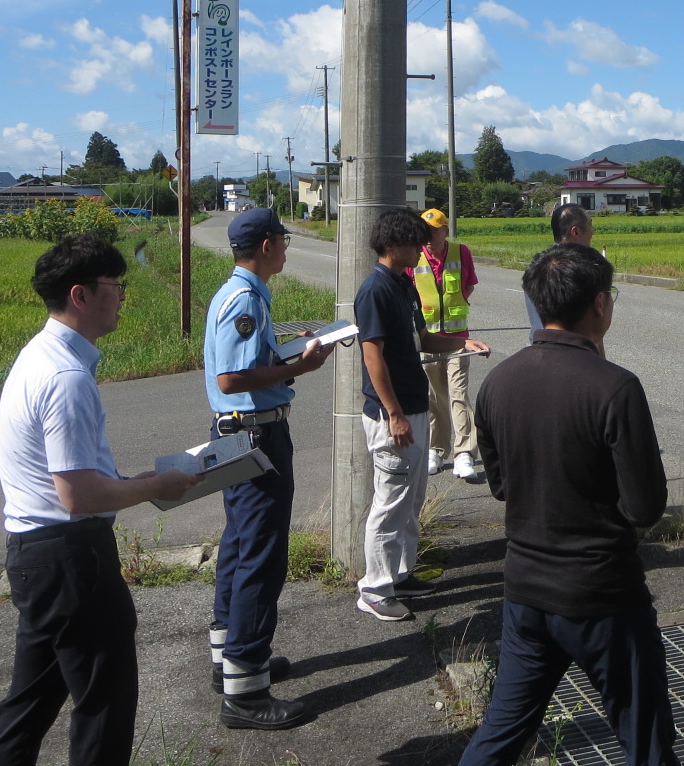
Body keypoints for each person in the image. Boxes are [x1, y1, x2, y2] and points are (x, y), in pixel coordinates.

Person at [0, 234, 200, 766]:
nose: (123, 295)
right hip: (71, 557)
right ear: (80, 295)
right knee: (105, 704)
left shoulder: (42, 355)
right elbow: (77, 495)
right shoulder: (66, 377)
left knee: (29, 704)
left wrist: (135, 479)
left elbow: (77, 479)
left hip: (39, 557)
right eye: (115, 285)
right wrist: (156, 486)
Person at [459, 241, 676, 766]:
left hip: (525, 589)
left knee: (503, 731)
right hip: (603, 592)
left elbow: (503, 486)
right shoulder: (615, 387)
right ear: (599, 304)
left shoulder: (498, 383)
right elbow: (645, 507)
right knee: (644, 738)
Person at [204, 208, 336, 730]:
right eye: (282, 238)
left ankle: (231, 658)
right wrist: (298, 365)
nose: (286, 245)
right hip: (256, 434)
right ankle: (245, 692)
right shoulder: (244, 299)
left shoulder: (237, 293)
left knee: (239, 544)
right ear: (264, 245)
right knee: (261, 555)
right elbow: (233, 377)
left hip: (240, 433)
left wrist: (281, 354)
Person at [354, 209, 491, 621]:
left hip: (413, 409)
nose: (422, 250)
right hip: (390, 416)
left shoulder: (403, 285)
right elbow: (372, 354)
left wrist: (463, 344)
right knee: (390, 500)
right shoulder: (375, 290)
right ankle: (374, 589)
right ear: (394, 245)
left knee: (411, 498)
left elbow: (424, 338)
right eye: (416, 243)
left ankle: (400, 573)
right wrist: (393, 412)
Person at [410, 208, 481, 480]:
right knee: (434, 397)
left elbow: (468, 286)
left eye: (435, 231)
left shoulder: (460, 252)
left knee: (458, 394)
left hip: (458, 337)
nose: (429, 237)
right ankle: (436, 450)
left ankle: (464, 452)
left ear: (445, 231)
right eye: (426, 232)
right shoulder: (414, 255)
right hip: (426, 338)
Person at [524, 203, 593, 336]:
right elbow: (592, 330)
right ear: (575, 231)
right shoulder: (580, 270)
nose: (592, 231)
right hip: (572, 351)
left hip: (539, 347)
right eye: (590, 224)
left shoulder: (536, 266)